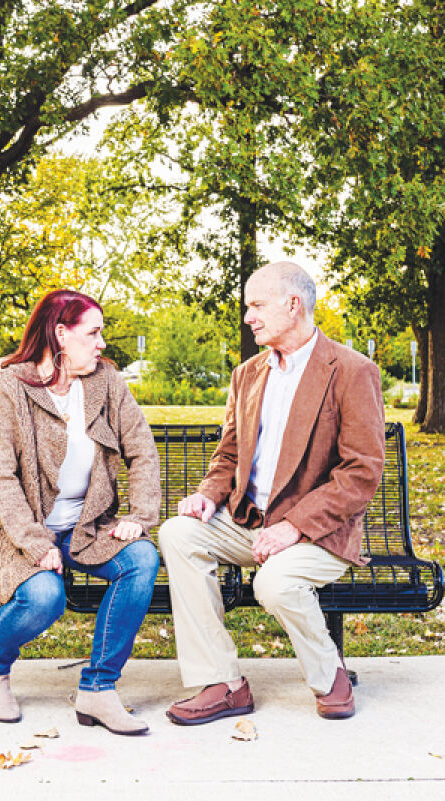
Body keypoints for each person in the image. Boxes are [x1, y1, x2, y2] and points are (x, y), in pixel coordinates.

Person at [159, 262, 385, 724]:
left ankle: (330, 677)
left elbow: (360, 473)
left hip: (320, 532)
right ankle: (223, 683)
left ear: (293, 304)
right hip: (248, 522)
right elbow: (228, 454)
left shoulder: (352, 371)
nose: (248, 316)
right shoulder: (247, 374)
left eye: (257, 305)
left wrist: (293, 527)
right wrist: (208, 494)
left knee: (274, 583)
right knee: (178, 533)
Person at [0, 289, 161, 736]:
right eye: (94, 333)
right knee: (45, 595)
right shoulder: (7, 387)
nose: (102, 343)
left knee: (143, 558)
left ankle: (98, 688)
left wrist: (140, 516)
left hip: (84, 529)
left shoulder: (106, 382)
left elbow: (142, 450)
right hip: (14, 532)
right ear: (61, 334)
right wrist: (34, 542)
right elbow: (0, 476)